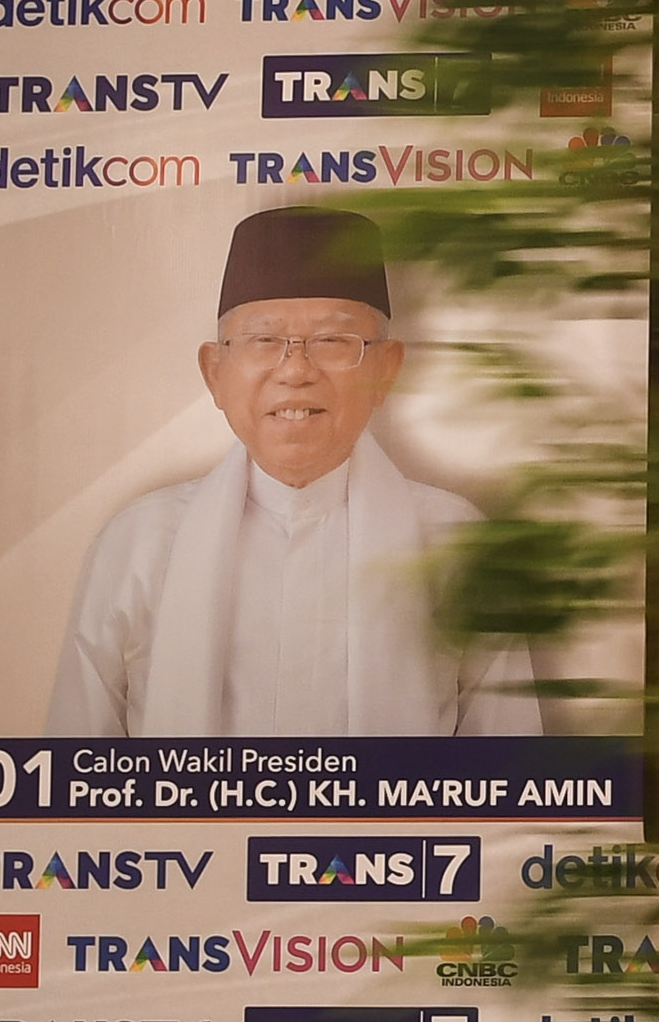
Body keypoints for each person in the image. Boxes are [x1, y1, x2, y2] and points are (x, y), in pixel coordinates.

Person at [46, 206, 541, 736]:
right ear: (215, 372)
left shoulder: (455, 544)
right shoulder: (139, 542)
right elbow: (75, 764)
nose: (296, 370)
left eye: (333, 341)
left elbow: (508, 765)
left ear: (386, 369)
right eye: (264, 341)